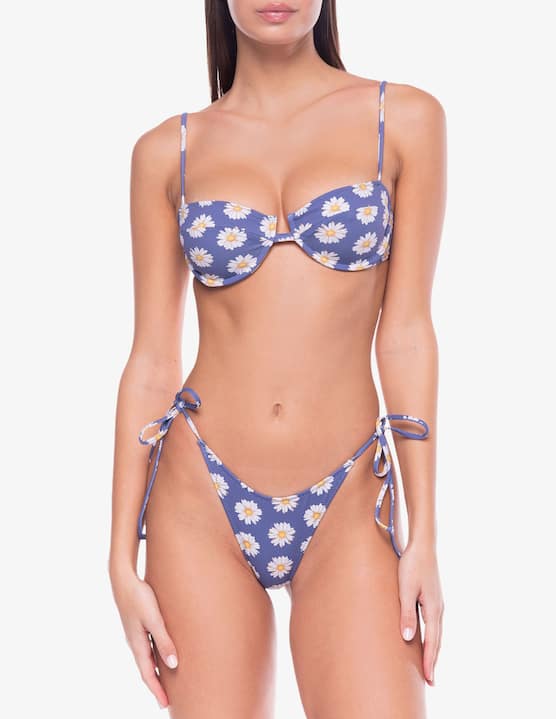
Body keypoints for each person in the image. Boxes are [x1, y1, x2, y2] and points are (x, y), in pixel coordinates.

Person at [109, 1, 446, 716]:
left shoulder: (404, 120)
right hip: (198, 499)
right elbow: (151, 361)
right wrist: (118, 557)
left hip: (350, 499)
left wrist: (424, 536)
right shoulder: (166, 152)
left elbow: (408, 333)